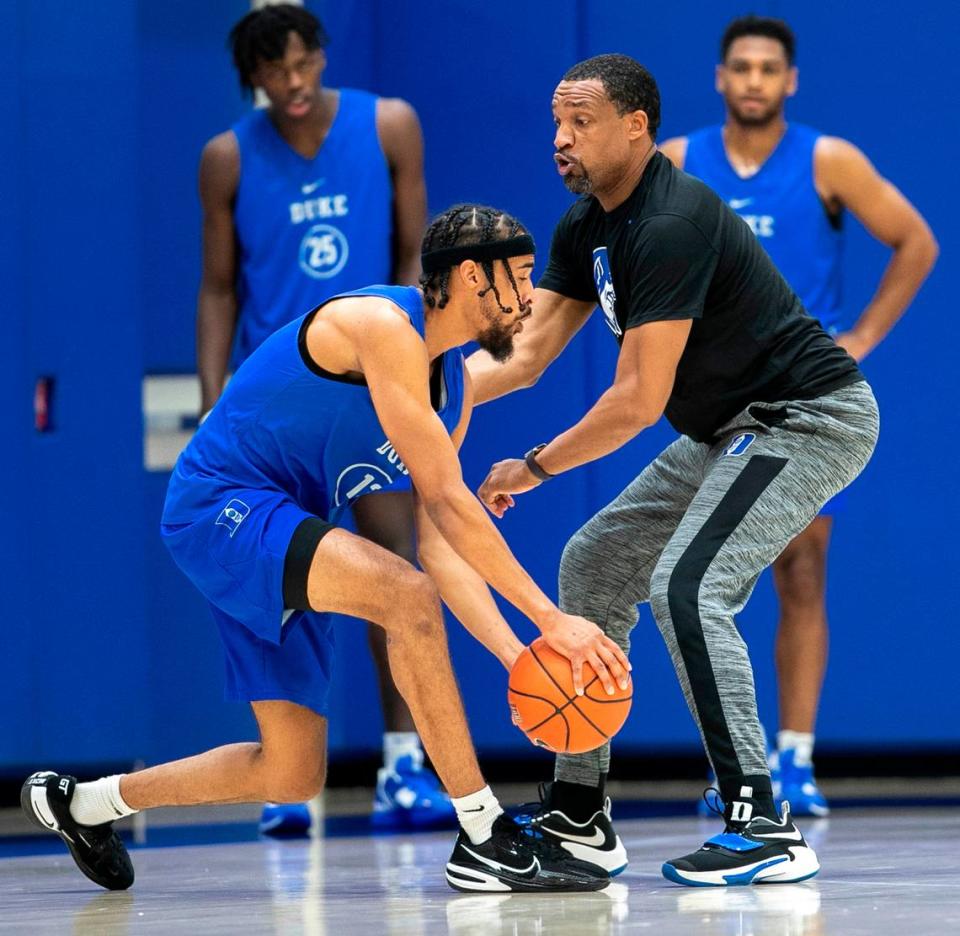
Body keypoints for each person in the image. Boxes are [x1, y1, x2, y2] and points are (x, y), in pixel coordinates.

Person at [21, 204, 631, 894]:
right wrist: (552, 620)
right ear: (469, 277)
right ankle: (484, 834)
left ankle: (85, 804)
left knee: (291, 773)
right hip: (220, 504)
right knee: (404, 596)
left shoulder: (451, 386)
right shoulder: (381, 327)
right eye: (519, 278)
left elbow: (442, 544)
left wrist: (520, 656)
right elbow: (451, 502)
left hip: (286, 525)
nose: (527, 302)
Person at [468, 54, 880, 887]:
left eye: (581, 122)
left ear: (636, 128)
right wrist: (420, 391)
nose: (561, 138)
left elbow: (636, 401)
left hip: (809, 419)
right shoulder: (586, 224)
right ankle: (579, 816)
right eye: (557, 122)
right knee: (593, 562)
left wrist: (535, 465)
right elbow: (528, 354)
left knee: (691, 585)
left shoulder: (670, 222)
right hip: (725, 427)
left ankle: (760, 819)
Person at [658, 15, 937, 817]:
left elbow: (915, 241)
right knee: (707, 578)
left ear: (791, 81)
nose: (753, 80)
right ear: (719, 78)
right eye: (739, 67)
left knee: (802, 571)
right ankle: (732, 765)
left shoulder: (828, 161)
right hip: (713, 400)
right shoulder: (679, 163)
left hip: (801, 402)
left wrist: (862, 336)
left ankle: (797, 757)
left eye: (768, 68)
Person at [196, 4, 438, 834]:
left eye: (302, 65)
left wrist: (412, 357)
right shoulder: (227, 158)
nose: (291, 84)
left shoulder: (390, 125)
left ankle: (404, 769)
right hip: (271, 409)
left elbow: (416, 254)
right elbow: (220, 287)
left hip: (372, 387)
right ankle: (283, 779)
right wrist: (208, 397)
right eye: (273, 72)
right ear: (252, 78)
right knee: (284, 584)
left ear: (321, 57)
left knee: (395, 569)